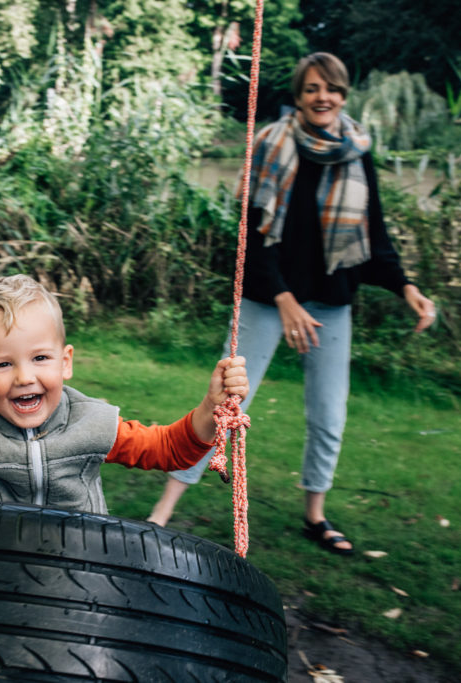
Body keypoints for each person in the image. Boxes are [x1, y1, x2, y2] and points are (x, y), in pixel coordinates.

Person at [147, 53, 437, 554]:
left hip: (330, 301)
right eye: (311, 89)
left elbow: (373, 230)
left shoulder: (356, 149)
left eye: (332, 89)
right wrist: (283, 299)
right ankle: (163, 510)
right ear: (299, 96)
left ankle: (315, 516)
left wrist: (406, 286)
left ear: (344, 95)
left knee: (329, 412)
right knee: (226, 402)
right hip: (266, 296)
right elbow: (249, 238)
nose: (323, 97)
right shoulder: (272, 144)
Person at [0, 274, 249, 514]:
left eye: (40, 358)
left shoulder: (93, 422)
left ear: (65, 362)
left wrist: (210, 408)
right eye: (3, 364)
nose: (24, 377)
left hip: (69, 567)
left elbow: (168, 449)